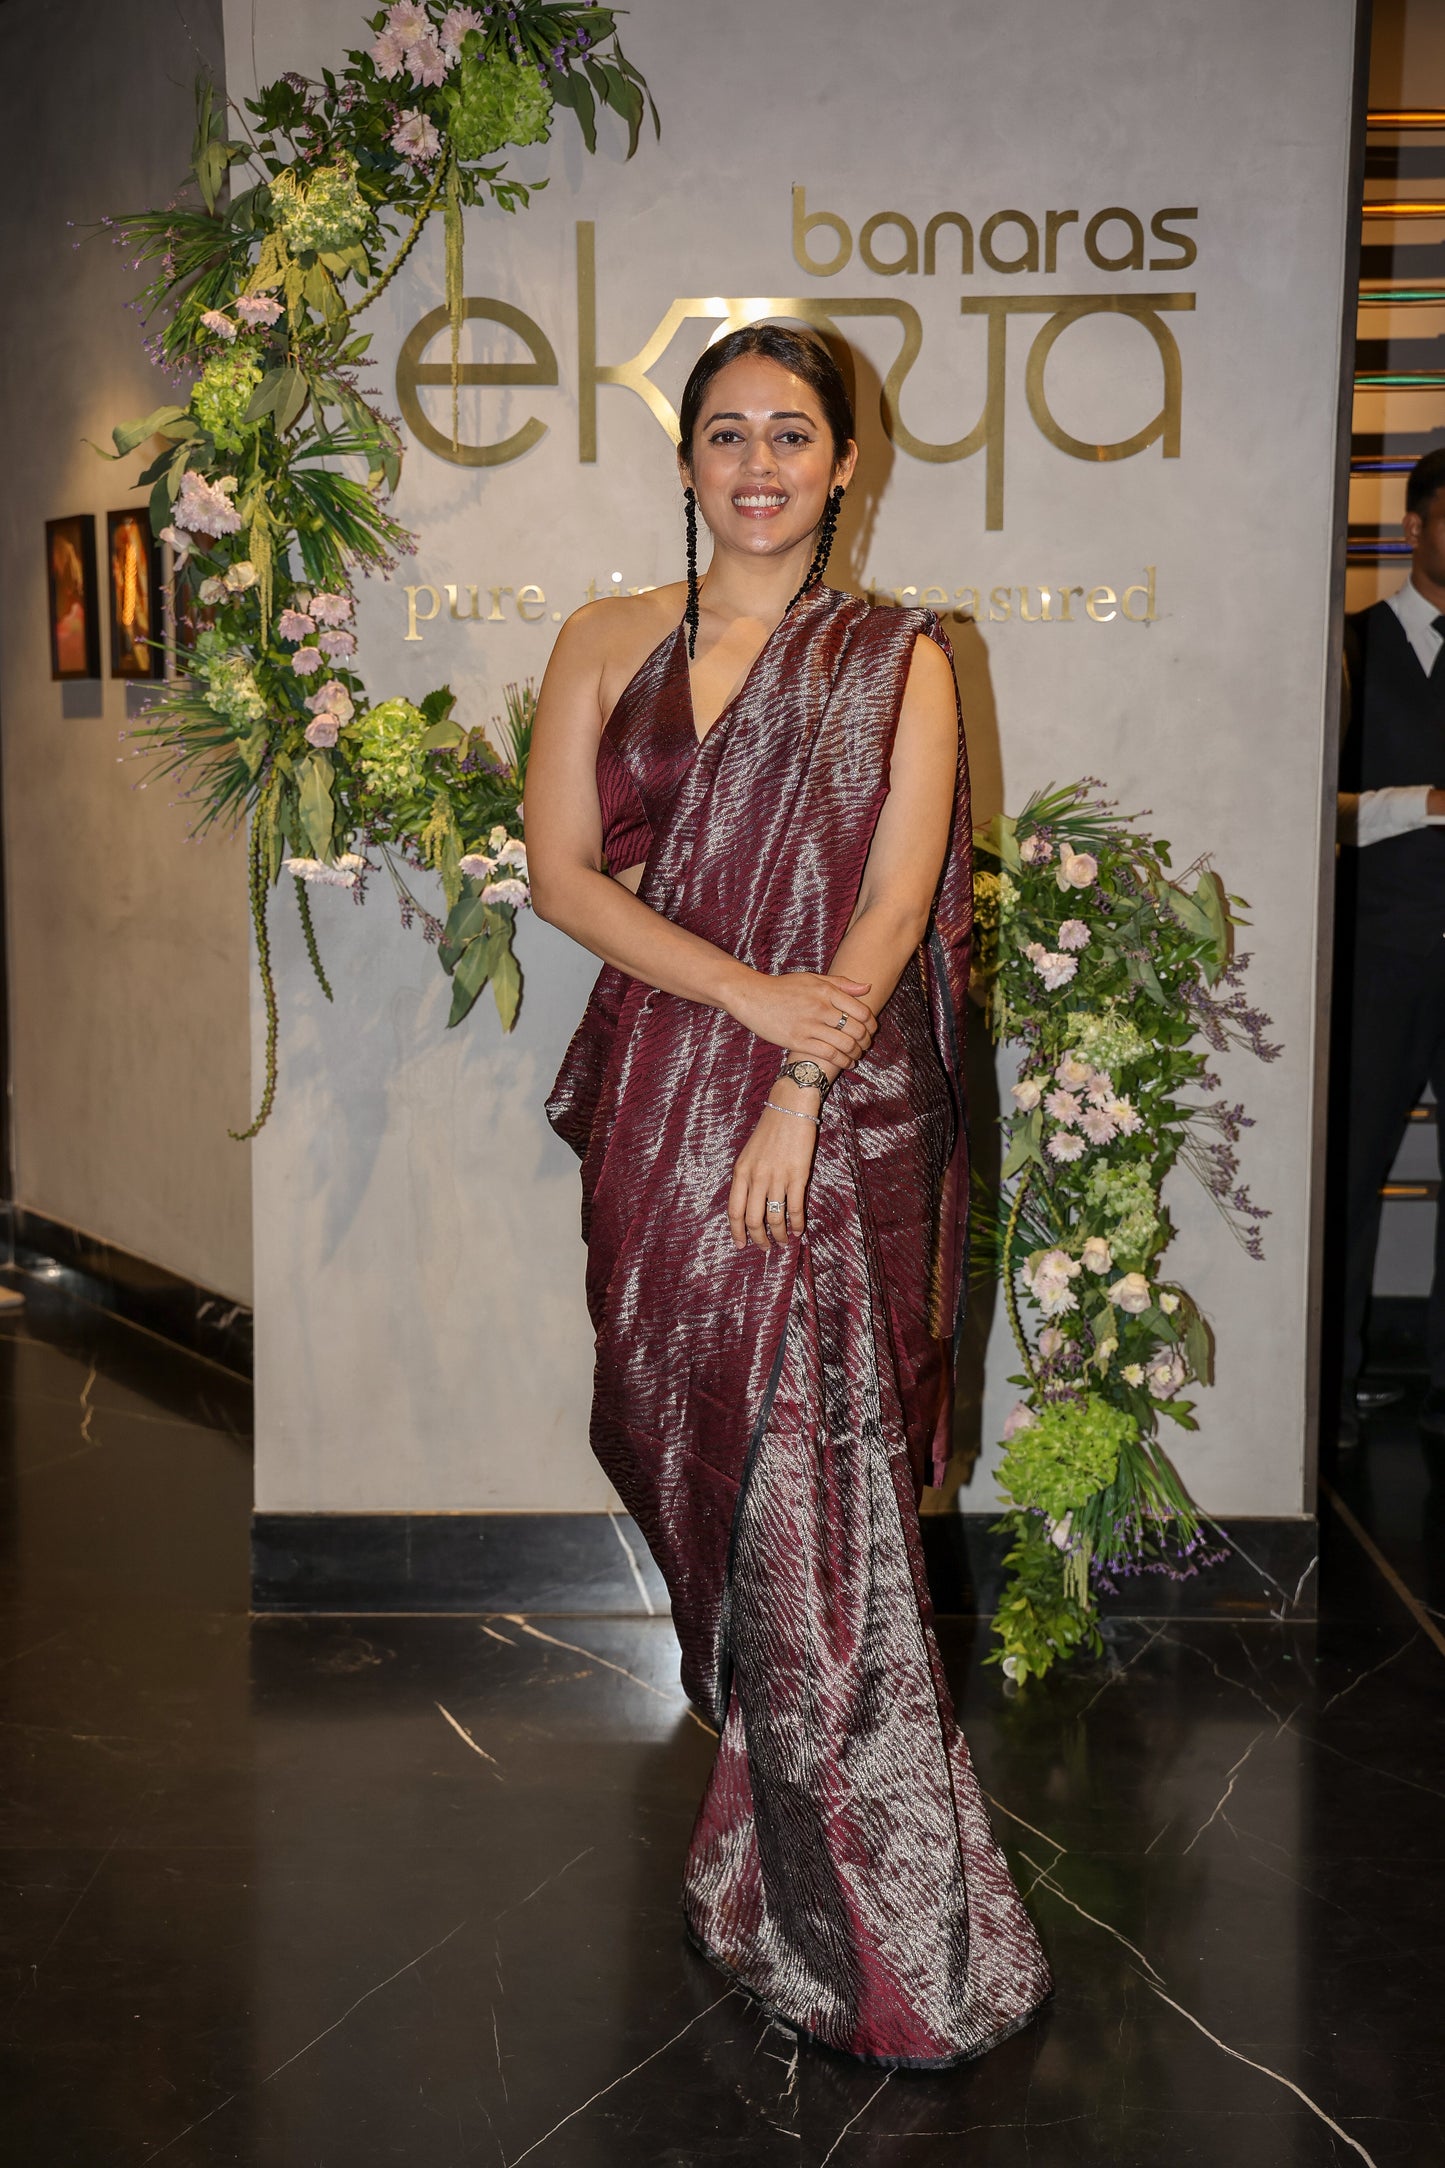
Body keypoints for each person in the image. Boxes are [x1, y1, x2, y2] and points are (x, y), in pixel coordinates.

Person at [527, 323, 1052, 2068]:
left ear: (844, 467)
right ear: (687, 463)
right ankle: (763, 1841)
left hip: (830, 1119)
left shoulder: (897, 655)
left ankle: (883, 1922)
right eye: (727, 432)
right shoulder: (604, 641)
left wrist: (802, 1094)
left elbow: (898, 902)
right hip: (662, 1105)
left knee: (824, 1503)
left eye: (793, 434)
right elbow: (560, 877)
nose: (759, 461)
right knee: (715, 1474)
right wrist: (749, 1008)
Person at [1336, 444, 1445, 1445]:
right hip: (1374, 957)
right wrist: (1421, 803)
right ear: (1412, 525)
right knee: (1349, 1176)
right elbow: (1311, 812)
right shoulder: (1348, 645)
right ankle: (1323, 1400)